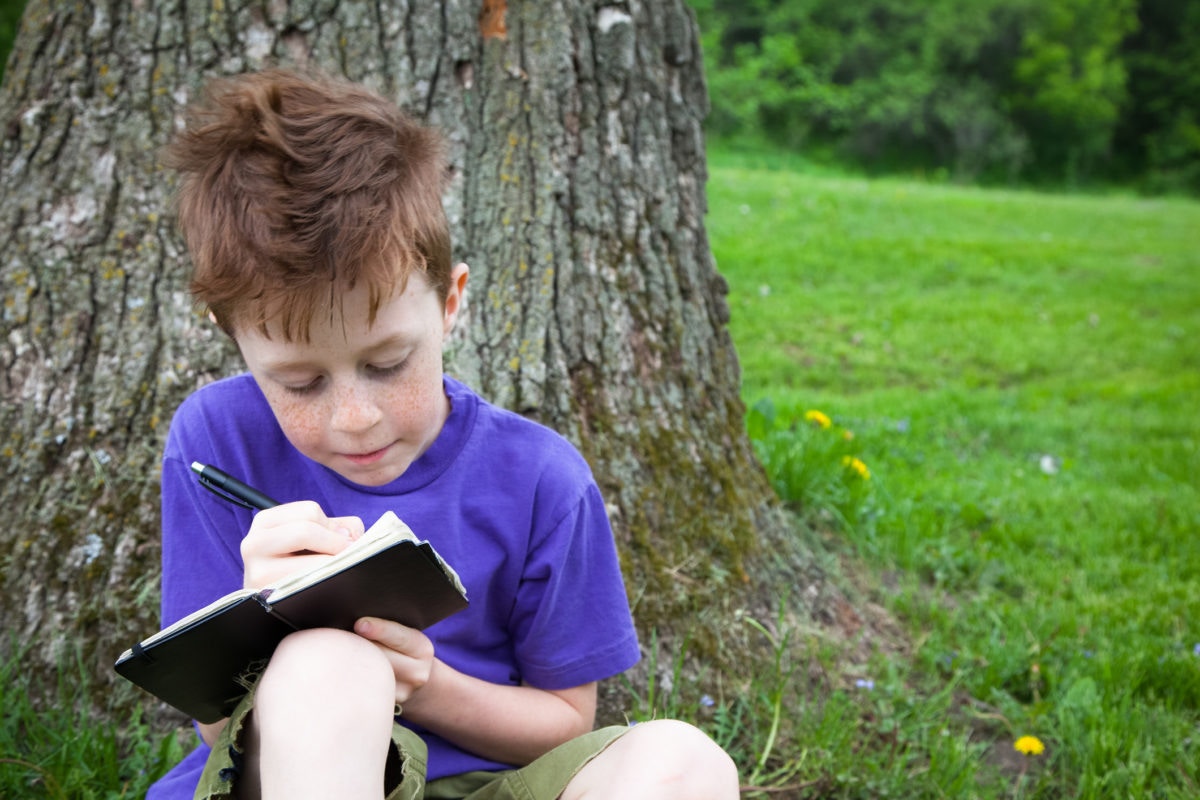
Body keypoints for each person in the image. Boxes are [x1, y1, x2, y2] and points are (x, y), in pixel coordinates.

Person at [146, 68, 739, 800]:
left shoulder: (541, 480)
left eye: (388, 362)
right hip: (286, 776)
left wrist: (423, 683)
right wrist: (252, 622)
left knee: (685, 759)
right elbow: (213, 729)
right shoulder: (216, 440)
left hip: (487, 782)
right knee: (331, 665)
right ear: (232, 338)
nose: (355, 415)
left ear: (451, 302)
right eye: (301, 383)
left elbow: (567, 721)